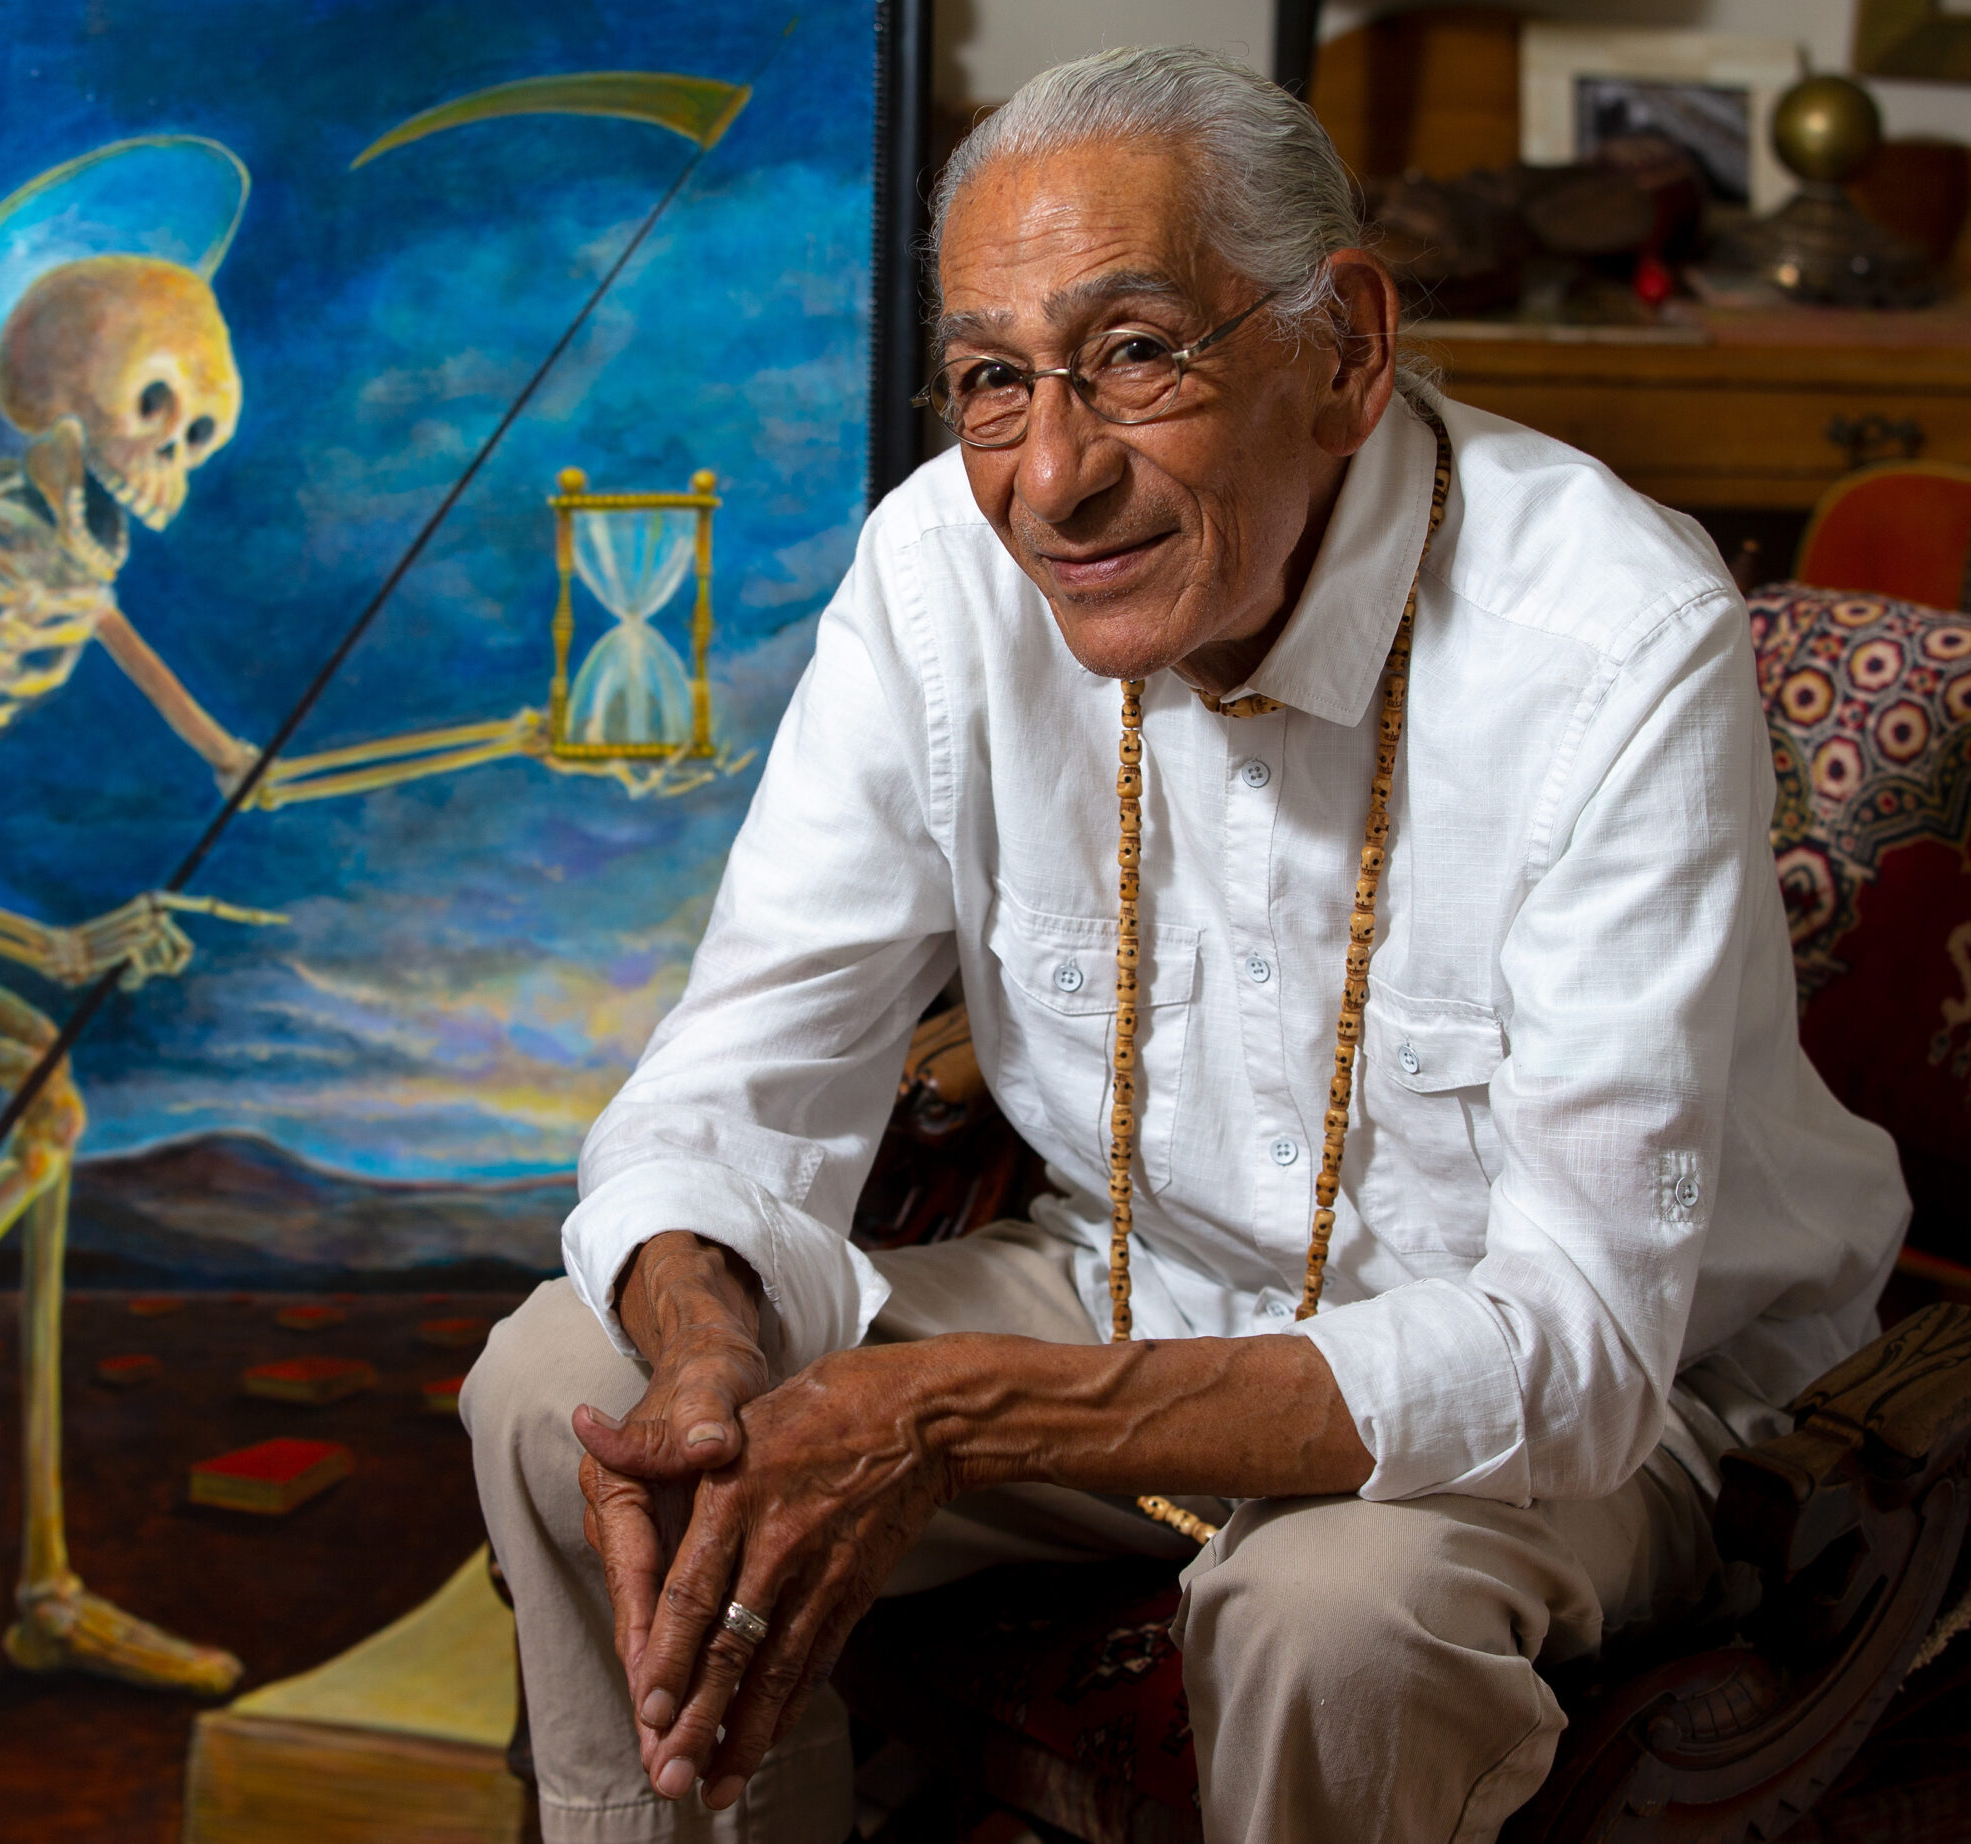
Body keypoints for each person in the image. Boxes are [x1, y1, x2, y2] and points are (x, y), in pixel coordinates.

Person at [462, 44, 1907, 1844]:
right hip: (1133, 1285)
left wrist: (967, 1418)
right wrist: (703, 1353)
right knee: (559, 1390)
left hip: (1603, 1402)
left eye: (1135, 353)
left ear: (1346, 349)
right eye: (994, 381)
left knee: (1333, 1618)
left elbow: (1580, 1349)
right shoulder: (935, 569)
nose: (1052, 476)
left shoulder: (1612, 638)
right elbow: (734, 1077)